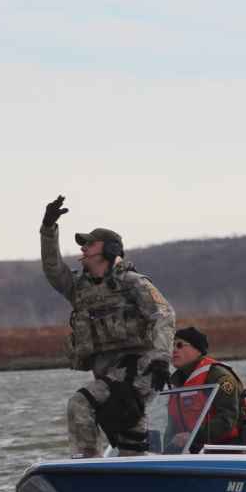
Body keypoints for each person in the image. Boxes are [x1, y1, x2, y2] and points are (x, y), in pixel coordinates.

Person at [40, 195, 175, 458]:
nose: (83, 250)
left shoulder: (133, 282)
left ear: (110, 250)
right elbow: (52, 269)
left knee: (81, 404)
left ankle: (89, 465)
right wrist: (48, 229)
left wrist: (160, 359)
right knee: (128, 438)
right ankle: (116, 476)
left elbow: (164, 313)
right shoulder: (80, 288)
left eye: (89, 244)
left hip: (139, 370)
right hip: (106, 372)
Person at [166, 326, 246, 453]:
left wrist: (192, 436)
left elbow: (227, 420)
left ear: (197, 350)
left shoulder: (219, 377)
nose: (174, 350)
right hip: (192, 452)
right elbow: (172, 427)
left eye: (179, 345)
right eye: (171, 346)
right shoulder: (176, 382)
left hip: (227, 450)